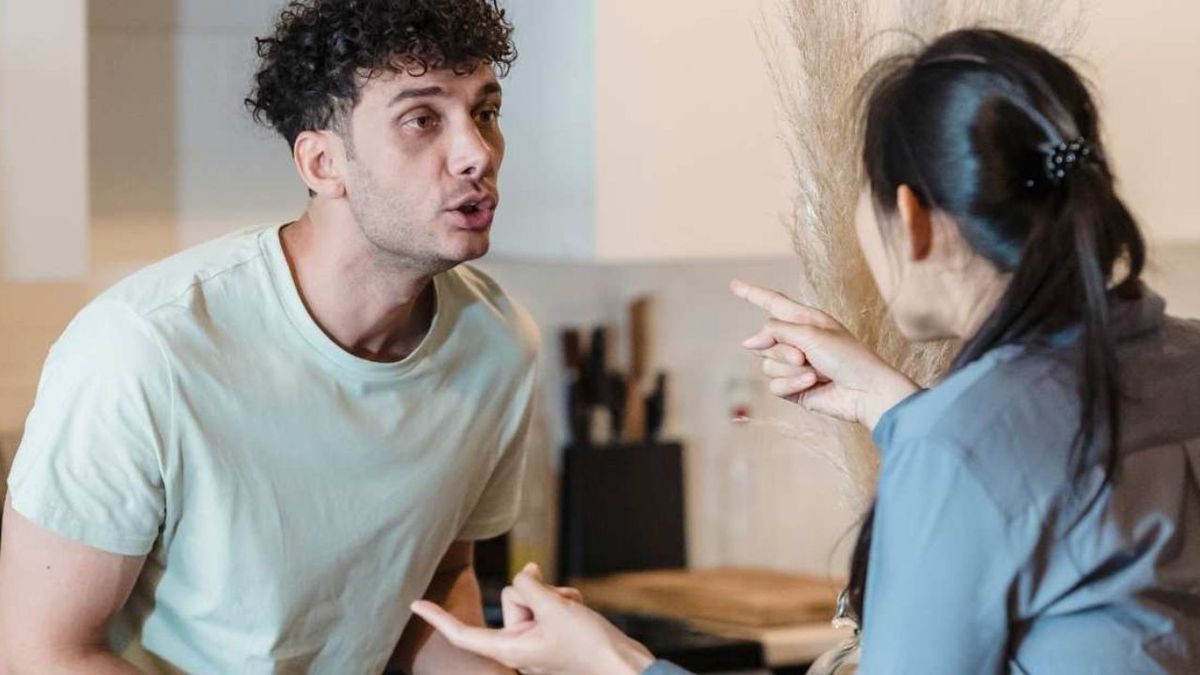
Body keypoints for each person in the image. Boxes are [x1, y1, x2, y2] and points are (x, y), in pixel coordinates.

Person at [411, 28, 1200, 675]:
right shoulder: (1180, 359)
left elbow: (994, 462)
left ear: (910, 218)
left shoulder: (960, 445)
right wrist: (892, 403)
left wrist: (611, 660)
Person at [0, 1, 544, 672]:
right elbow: (40, 653)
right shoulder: (143, 350)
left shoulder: (497, 345)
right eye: (422, 120)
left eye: (485, 113)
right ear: (322, 164)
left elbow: (434, 587)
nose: (476, 153)